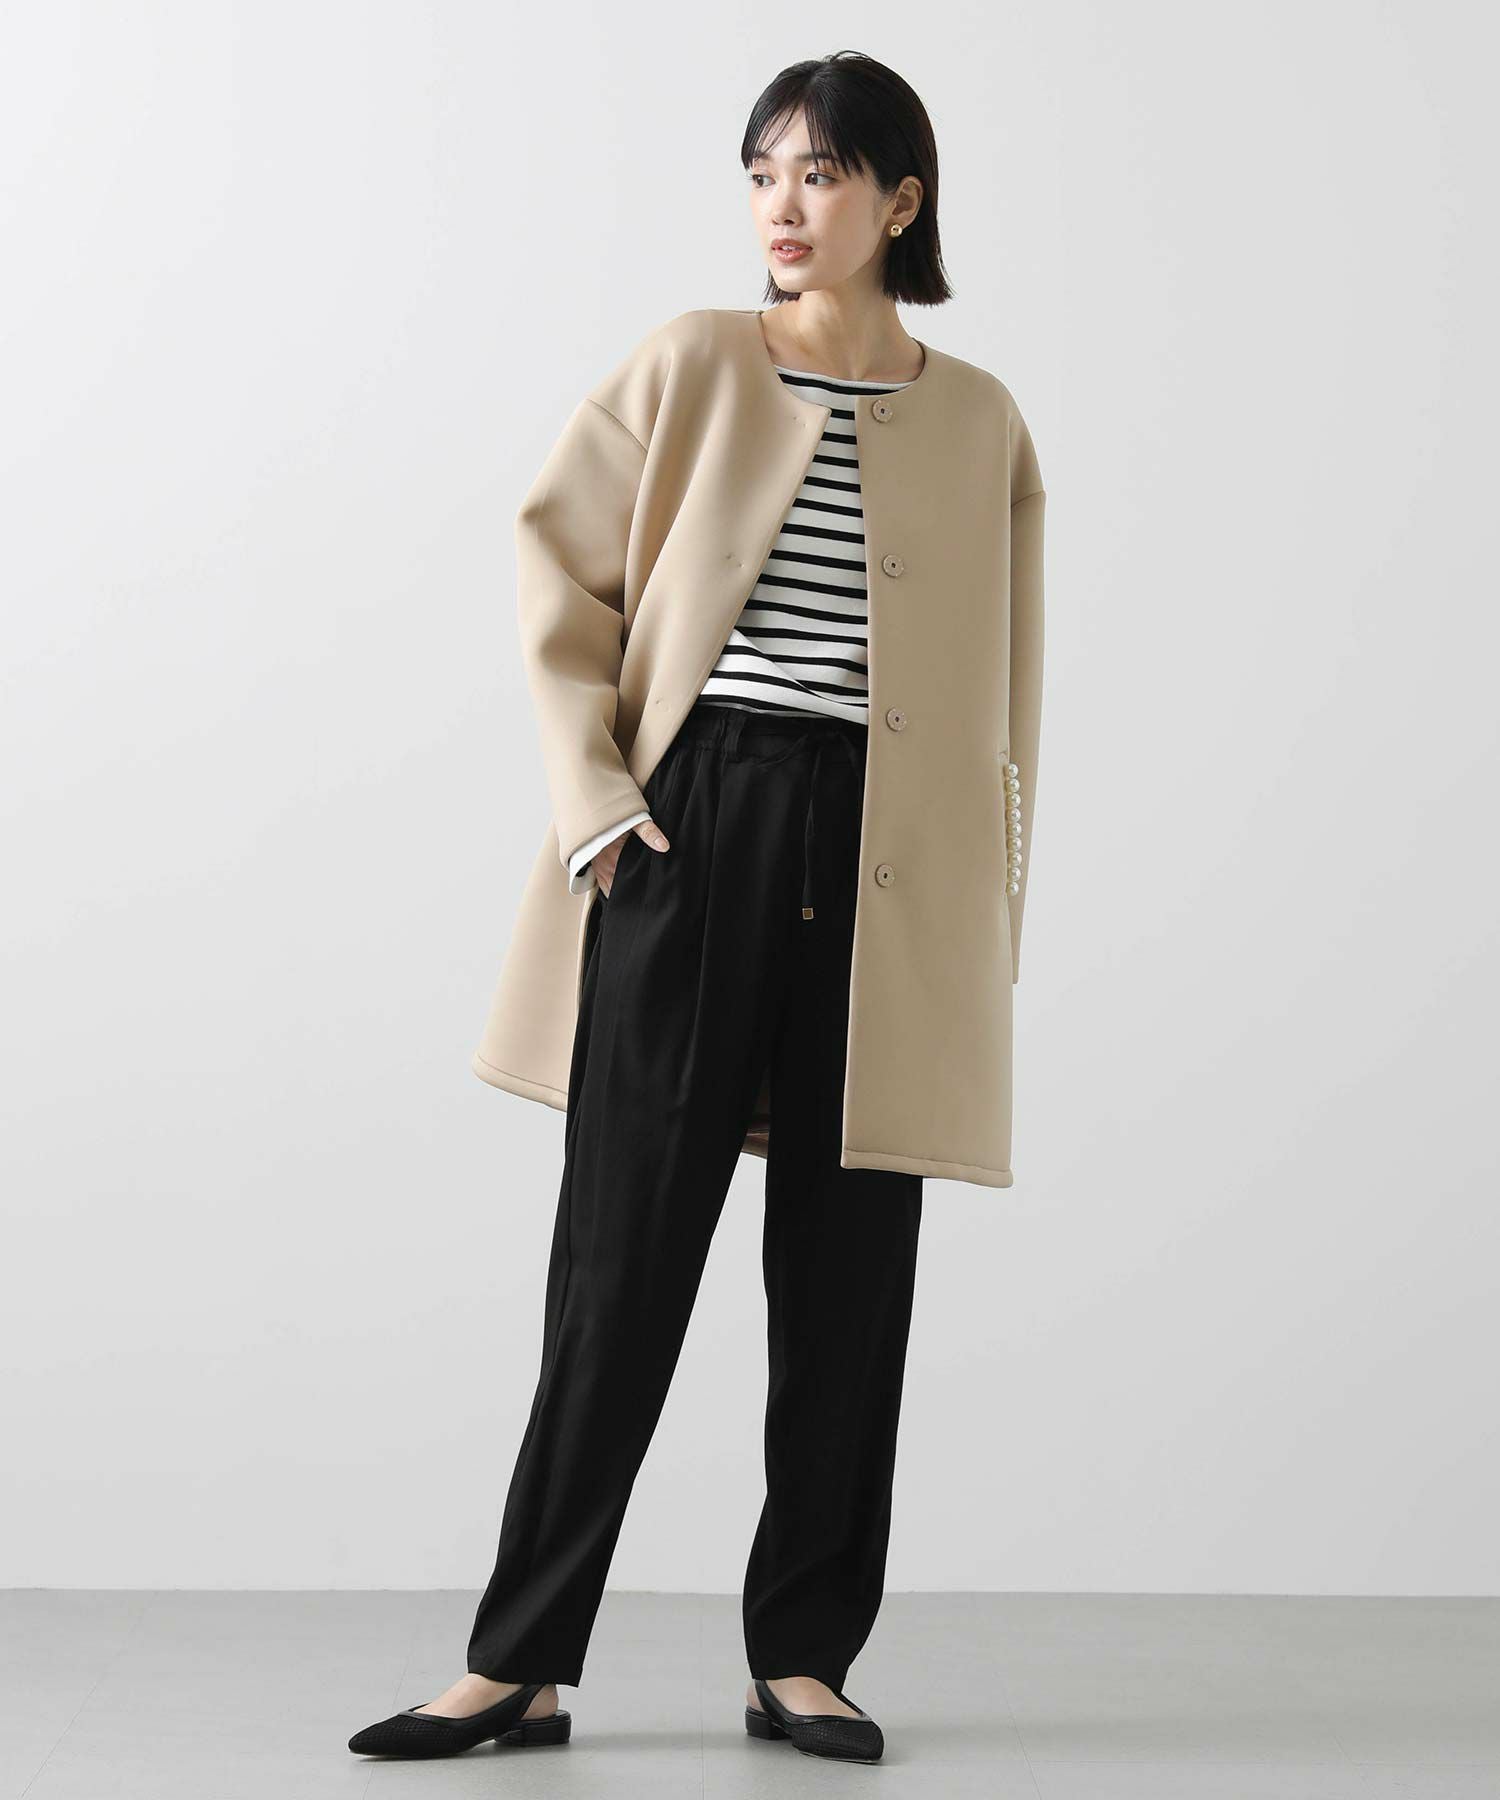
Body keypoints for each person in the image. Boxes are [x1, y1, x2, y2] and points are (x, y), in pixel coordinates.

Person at [350, 47, 1044, 1769]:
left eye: (822, 174)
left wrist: (985, 908)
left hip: (887, 858)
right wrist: (600, 809)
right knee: (622, 1254)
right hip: (697, 824)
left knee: (850, 1274)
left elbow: (1005, 697)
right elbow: (558, 567)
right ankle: (522, 1660)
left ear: (902, 199)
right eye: (762, 173)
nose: (783, 207)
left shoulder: (981, 422)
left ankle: (803, 1655)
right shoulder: (691, 362)